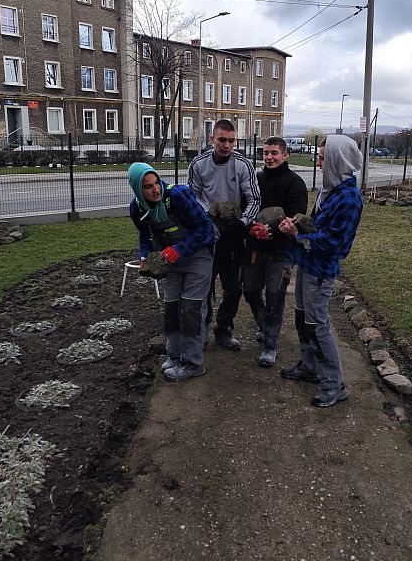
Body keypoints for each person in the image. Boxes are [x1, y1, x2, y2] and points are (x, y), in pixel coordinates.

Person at [278, 134, 363, 407]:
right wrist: (299, 223)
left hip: (321, 271)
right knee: (303, 318)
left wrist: (297, 235)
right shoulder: (330, 190)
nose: (318, 162)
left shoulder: (348, 198)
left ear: (337, 161)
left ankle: (334, 384)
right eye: (319, 157)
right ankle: (311, 366)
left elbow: (336, 243)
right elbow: (318, 226)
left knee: (318, 325)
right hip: (307, 263)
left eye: (323, 158)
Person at [128, 161, 216, 382]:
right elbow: (145, 236)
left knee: (191, 309)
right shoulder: (137, 207)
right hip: (170, 259)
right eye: (148, 186)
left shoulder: (177, 196)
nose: (155, 189)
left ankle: (193, 363)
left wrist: (180, 249)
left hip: (198, 255)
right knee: (172, 307)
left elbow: (205, 228)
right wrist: (145, 256)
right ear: (138, 189)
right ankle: (175, 355)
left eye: (156, 183)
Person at [187, 119, 260, 351]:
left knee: (233, 288)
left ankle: (225, 329)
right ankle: (202, 328)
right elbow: (192, 195)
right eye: (222, 140)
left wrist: (242, 222)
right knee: (203, 285)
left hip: (233, 235)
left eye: (231, 140)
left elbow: (254, 198)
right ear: (212, 139)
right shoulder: (198, 164)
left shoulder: (243, 165)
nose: (227, 145)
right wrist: (207, 216)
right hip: (207, 235)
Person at [243, 136, 308, 367]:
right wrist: (251, 229)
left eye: (274, 153)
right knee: (250, 290)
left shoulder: (295, 184)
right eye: (265, 153)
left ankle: (270, 345)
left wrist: (272, 230)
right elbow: (246, 208)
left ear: (285, 154)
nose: (269, 157)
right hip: (255, 248)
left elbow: (296, 217)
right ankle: (264, 325)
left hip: (282, 250)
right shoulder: (256, 179)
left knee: (275, 297)